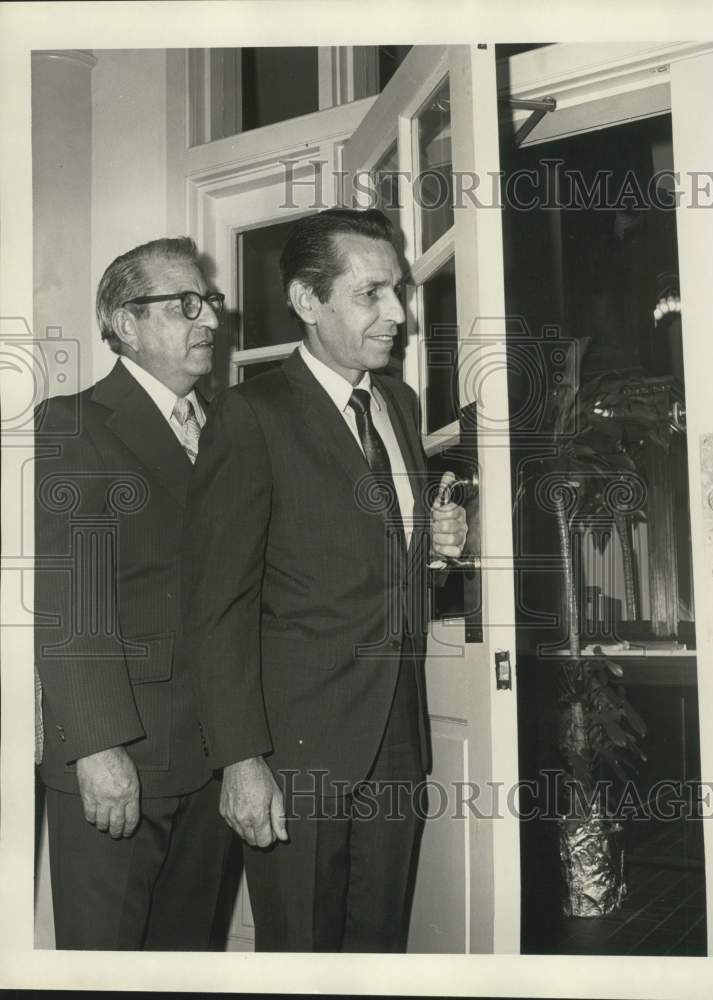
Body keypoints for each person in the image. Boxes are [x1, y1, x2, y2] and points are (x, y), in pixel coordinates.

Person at [182, 208, 467, 952]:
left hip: (396, 739)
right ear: (308, 302)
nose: (397, 314)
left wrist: (434, 555)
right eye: (370, 293)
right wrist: (241, 761)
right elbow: (217, 608)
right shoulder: (251, 415)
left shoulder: (399, 405)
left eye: (397, 291)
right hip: (294, 751)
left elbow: (372, 567)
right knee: (301, 951)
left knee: (378, 947)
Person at [34, 237, 233, 950]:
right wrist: (96, 747)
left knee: (188, 963)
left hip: (216, 764)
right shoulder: (75, 425)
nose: (208, 317)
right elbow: (69, 601)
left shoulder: (231, 433)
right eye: (184, 304)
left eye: (208, 301)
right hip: (121, 762)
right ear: (123, 322)